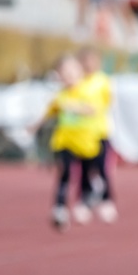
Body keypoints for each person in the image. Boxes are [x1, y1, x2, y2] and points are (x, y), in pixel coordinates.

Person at [33, 55, 100, 231]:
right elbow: (49, 112)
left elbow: (93, 109)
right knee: (65, 174)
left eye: (72, 72)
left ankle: (86, 200)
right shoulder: (60, 96)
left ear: (80, 73)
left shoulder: (87, 91)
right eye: (65, 73)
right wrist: (35, 126)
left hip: (86, 142)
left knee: (86, 174)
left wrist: (74, 106)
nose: (69, 76)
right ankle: (60, 208)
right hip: (65, 141)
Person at [76, 48, 118, 223]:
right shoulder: (77, 82)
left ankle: (107, 200)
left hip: (99, 131)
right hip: (82, 134)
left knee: (102, 168)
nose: (89, 64)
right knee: (84, 169)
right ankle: (83, 200)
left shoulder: (103, 81)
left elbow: (106, 103)